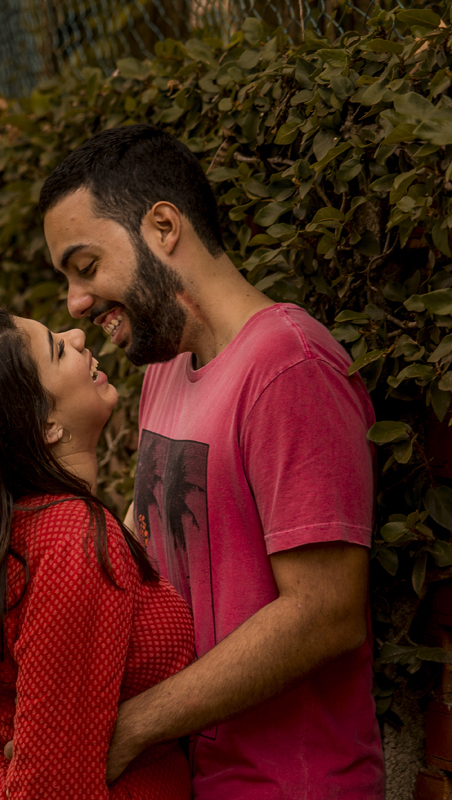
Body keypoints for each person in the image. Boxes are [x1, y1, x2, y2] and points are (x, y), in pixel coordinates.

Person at [36, 124, 384, 798]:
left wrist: (134, 727)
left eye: (85, 268)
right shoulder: (166, 368)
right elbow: (144, 547)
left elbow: (326, 611)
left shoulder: (291, 368)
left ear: (164, 227)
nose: (76, 302)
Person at [0, 307, 195, 799]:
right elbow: (55, 784)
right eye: (57, 348)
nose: (78, 334)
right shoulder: (72, 540)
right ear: (46, 424)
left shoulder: (2, 533)